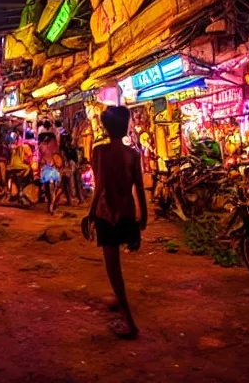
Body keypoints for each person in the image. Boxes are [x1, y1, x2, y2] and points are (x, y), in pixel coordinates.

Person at [86, 106, 147, 339]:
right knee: (117, 265)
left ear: (105, 127)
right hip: (128, 212)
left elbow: (99, 185)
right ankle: (118, 299)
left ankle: (129, 321)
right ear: (126, 127)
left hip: (107, 213)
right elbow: (139, 187)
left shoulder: (99, 151)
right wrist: (145, 215)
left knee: (113, 267)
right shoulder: (133, 154)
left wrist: (91, 213)